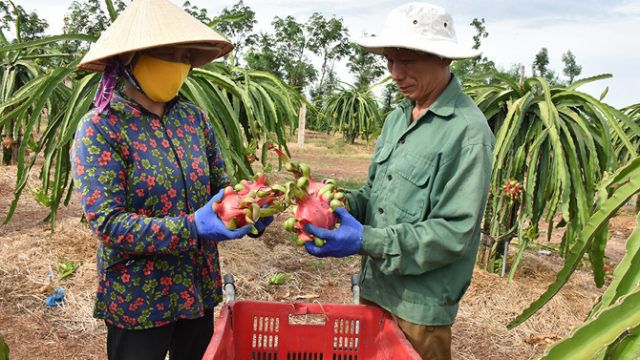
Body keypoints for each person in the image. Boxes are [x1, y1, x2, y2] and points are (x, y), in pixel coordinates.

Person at [70, 0, 272, 359]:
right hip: (138, 296)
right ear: (130, 59)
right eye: (166, 53)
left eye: (184, 56)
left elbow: (220, 193)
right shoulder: (101, 128)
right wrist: (191, 227)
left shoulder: (195, 121)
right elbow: (108, 223)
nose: (177, 65)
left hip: (197, 287)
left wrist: (251, 210)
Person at [303, 3, 494, 360]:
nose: (394, 73)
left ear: (444, 60)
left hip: (420, 309)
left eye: (406, 62)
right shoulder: (398, 117)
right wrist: (332, 201)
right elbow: (376, 193)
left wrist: (366, 239)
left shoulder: (467, 132)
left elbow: (454, 233)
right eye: (390, 61)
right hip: (377, 288)